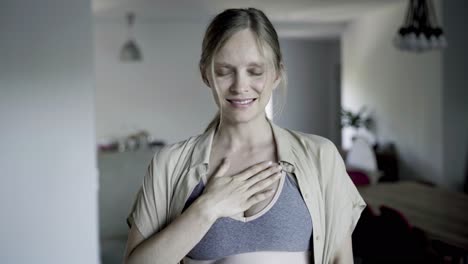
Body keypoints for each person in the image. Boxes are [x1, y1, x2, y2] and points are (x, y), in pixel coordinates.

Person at [123, 8, 366, 264]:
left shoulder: (321, 157)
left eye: (255, 71)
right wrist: (208, 208)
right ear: (206, 74)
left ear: (277, 73)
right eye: (225, 71)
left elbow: (341, 257)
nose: (240, 86)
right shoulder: (168, 165)